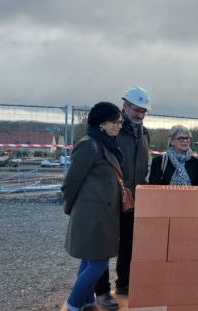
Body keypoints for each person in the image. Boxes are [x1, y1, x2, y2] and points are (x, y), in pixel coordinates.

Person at [61, 102, 124, 311]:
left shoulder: (106, 143)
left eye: (120, 121)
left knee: (89, 262)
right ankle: (73, 304)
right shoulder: (89, 145)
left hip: (102, 217)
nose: (119, 125)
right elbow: (70, 183)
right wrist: (71, 208)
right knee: (98, 264)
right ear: (101, 123)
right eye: (114, 121)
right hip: (91, 218)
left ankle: (87, 302)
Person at [94, 86, 150, 309]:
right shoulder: (114, 131)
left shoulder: (144, 133)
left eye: (144, 111)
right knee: (104, 245)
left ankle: (124, 284)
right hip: (111, 196)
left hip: (134, 197)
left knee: (129, 242)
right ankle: (101, 291)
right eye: (136, 109)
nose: (140, 114)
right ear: (124, 106)